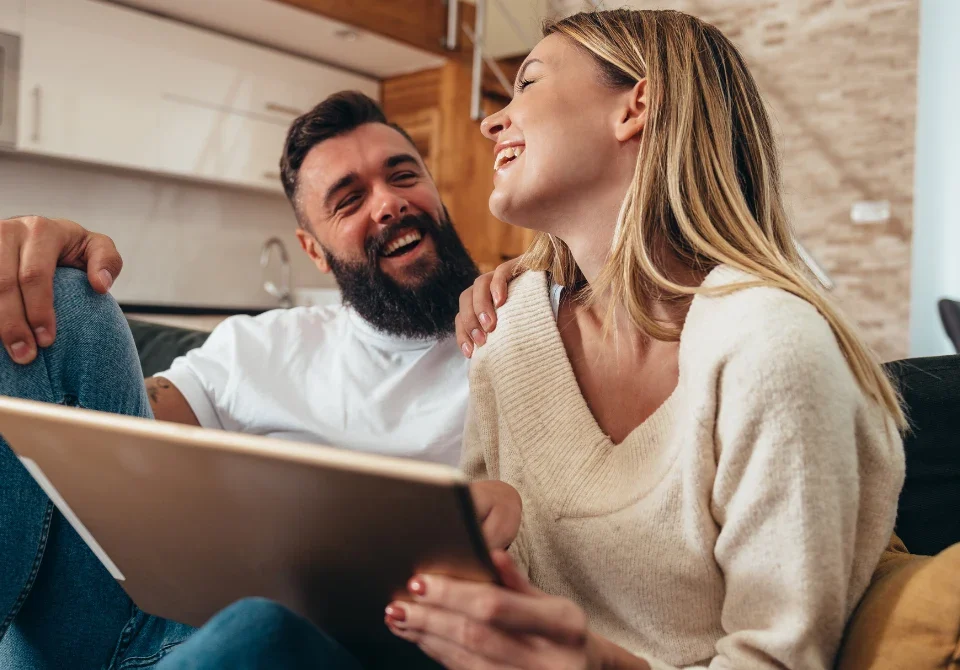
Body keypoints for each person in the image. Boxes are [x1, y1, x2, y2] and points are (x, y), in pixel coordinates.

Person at [156, 8, 907, 670]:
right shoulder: (510, 331)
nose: (490, 121)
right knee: (254, 632)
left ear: (635, 107)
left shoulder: (769, 351)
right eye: (349, 199)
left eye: (530, 82)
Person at [0, 91, 513, 669]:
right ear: (312, 251)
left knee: (262, 627)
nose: (390, 202)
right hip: (140, 627)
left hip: (320, 648)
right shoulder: (263, 344)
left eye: (403, 175)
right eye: (350, 200)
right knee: (62, 300)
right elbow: (109, 421)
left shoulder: (519, 333)